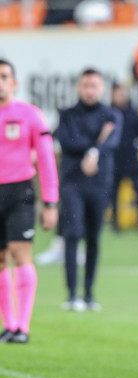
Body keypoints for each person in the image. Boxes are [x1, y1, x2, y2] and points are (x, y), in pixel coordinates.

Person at [0, 59, 59, 344]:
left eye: (4, 76)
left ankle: (23, 326)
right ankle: (9, 325)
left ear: (14, 82)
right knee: (0, 260)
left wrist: (50, 202)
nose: (0, 81)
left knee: (20, 254)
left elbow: (47, 161)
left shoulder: (31, 116)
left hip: (19, 193)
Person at [55, 68, 122, 312]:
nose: (89, 90)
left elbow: (113, 142)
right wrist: (94, 144)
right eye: (85, 85)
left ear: (101, 87)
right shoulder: (68, 115)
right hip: (73, 182)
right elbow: (66, 141)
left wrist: (94, 151)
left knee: (94, 238)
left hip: (99, 183)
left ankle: (89, 294)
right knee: (72, 234)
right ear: (78, 87)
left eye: (94, 85)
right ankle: (72, 295)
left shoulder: (111, 115)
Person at [110, 82, 138, 232]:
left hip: (131, 158)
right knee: (114, 194)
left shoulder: (133, 113)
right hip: (115, 159)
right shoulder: (109, 114)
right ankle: (115, 223)